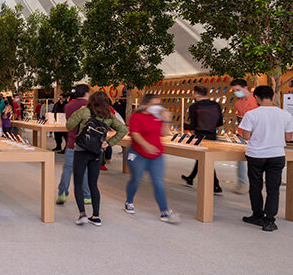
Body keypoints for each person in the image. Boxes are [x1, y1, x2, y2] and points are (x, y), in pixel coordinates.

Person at [66, 90, 127, 226]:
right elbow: (123, 129)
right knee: (93, 184)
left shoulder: (84, 112)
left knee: (78, 183)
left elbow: (69, 125)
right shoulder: (109, 116)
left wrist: (78, 112)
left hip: (81, 151)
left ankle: (82, 214)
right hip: (97, 152)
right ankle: (96, 216)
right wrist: (109, 143)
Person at [238, 85, 293, 232]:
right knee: (273, 188)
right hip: (276, 155)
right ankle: (269, 221)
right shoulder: (286, 115)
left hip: (256, 155)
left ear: (256, 97)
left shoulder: (251, 114)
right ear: (273, 97)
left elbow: (246, 136)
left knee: (256, 186)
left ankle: (257, 216)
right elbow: (288, 137)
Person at [124, 94, 180, 223]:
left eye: (158, 104)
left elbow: (164, 133)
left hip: (156, 155)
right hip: (138, 154)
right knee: (136, 179)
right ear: (145, 105)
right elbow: (135, 134)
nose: (157, 107)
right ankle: (129, 201)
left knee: (158, 182)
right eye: (154, 104)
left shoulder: (158, 116)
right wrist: (146, 145)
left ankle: (164, 211)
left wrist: (166, 120)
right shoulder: (136, 117)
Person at [181, 86, 224, 195]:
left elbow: (193, 125)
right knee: (202, 159)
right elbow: (220, 122)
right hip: (212, 136)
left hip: (200, 137)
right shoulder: (216, 105)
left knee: (205, 160)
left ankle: (216, 186)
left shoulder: (194, 107)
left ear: (195, 94)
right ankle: (190, 178)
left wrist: (184, 125)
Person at [57, 85, 91, 204]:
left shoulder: (68, 106)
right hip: (87, 143)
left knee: (68, 168)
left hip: (71, 141)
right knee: (85, 169)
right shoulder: (91, 105)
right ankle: (87, 196)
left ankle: (62, 193)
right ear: (86, 93)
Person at [232, 78, 258, 194]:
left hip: (256, 134)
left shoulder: (256, 99)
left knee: (255, 160)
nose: (236, 92)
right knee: (240, 158)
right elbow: (240, 119)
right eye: (234, 90)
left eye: (238, 90)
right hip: (242, 134)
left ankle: (255, 183)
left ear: (245, 87)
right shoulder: (238, 103)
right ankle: (242, 183)